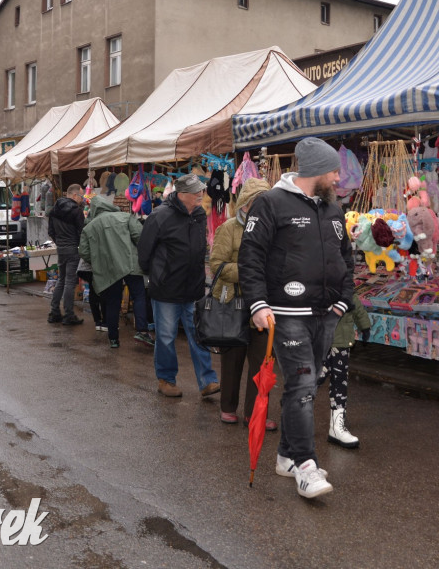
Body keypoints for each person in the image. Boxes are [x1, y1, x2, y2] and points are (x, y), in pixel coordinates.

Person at [239, 136, 354, 499]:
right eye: (335, 171)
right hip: (286, 314)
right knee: (303, 387)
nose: (339, 178)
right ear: (317, 170)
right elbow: (251, 256)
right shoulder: (271, 203)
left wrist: (342, 302)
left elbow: (346, 261)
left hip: (325, 314)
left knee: (305, 386)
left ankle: (287, 456)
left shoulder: (333, 210)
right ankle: (306, 466)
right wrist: (258, 304)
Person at [137, 174, 220, 399]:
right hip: (166, 288)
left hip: (193, 286)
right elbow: (144, 251)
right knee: (165, 336)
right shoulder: (160, 215)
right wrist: (156, 275)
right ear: (182, 194)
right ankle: (166, 380)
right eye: (196, 192)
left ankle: (208, 381)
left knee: (198, 334)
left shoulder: (200, 214)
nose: (201, 195)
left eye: (201, 191)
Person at [208, 177, 277, 429]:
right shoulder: (228, 228)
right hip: (234, 303)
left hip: (264, 303)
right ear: (246, 204)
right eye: (259, 202)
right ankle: (228, 407)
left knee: (262, 363)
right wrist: (252, 270)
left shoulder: (273, 228)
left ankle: (255, 413)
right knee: (232, 360)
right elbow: (217, 266)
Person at [78, 196, 153, 349]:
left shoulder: (89, 227)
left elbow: (84, 252)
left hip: (108, 268)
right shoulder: (126, 217)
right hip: (130, 263)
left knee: (113, 302)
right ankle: (142, 331)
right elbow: (140, 238)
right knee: (139, 295)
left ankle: (113, 339)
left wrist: (99, 260)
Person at [318, 294, 371, 448]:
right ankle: (295, 413)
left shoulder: (343, 279)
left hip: (341, 342)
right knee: (314, 380)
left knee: (340, 385)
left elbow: (355, 303)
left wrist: (364, 325)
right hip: (320, 341)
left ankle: (336, 427)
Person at [47, 184, 85, 325]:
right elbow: (82, 231)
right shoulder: (76, 211)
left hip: (61, 249)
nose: (82, 199)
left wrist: (59, 242)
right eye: (81, 196)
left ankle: (54, 312)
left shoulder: (54, 210)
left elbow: (51, 231)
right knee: (70, 282)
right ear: (74, 195)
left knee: (61, 280)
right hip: (73, 248)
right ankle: (69, 314)